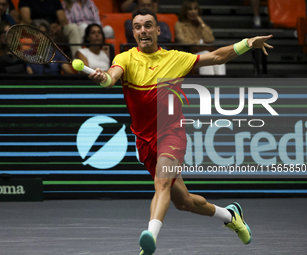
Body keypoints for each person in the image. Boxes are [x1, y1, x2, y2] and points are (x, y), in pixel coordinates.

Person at [88, 8, 273, 255]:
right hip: (144, 140)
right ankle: (230, 215)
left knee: (162, 183)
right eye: (138, 26)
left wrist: (247, 43)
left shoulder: (176, 58)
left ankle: (149, 240)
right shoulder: (125, 58)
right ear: (133, 32)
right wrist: (103, 78)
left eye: (148, 25)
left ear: (158, 30)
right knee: (183, 202)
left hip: (171, 133)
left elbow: (217, 57)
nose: (143, 30)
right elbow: (112, 78)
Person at [175, 0, 226, 75]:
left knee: (218, 57)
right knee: (206, 55)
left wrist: (202, 24)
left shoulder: (201, 25)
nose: (193, 12)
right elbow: (183, 40)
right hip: (188, 54)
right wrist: (198, 42)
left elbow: (210, 39)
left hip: (201, 52)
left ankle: (222, 83)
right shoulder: (179, 25)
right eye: (190, 9)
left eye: (195, 9)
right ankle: (208, 84)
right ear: (185, 11)